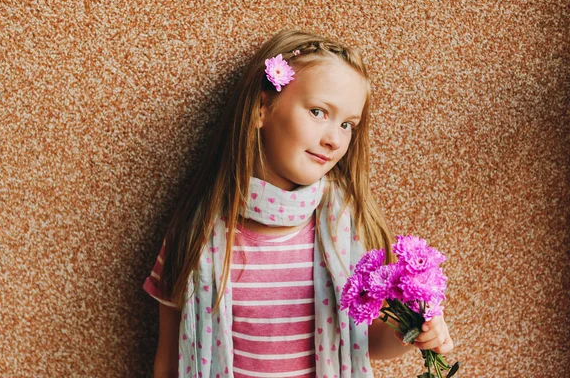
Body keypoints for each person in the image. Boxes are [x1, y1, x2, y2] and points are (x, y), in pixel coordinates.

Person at [143, 29, 453, 378]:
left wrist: (414, 332)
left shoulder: (345, 230)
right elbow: (169, 361)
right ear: (262, 108)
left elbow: (364, 342)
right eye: (319, 112)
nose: (334, 139)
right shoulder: (194, 233)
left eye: (348, 124)